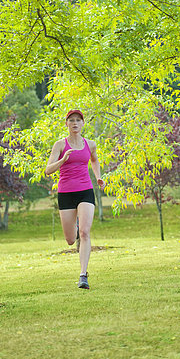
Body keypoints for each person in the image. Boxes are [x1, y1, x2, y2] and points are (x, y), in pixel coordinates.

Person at [45, 109, 106, 289]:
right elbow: (48, 170)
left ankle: (83, 275)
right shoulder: (60, 145)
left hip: (85, 191)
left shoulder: (91, 144)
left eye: (78, 120)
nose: (75, 123)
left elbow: (94, 160)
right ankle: (77, 224)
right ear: (67, 124)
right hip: (66, 194)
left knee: (85, 233)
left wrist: (98, 176)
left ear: (83, 124)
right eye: (71, 120)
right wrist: (63, 159)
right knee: (71, 240)